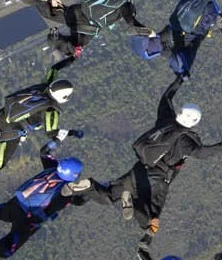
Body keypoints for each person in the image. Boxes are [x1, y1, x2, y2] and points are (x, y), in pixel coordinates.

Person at [91, 79, 215, 232]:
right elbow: (203, 153)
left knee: (110, 195)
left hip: (141, 167)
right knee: (148, 220)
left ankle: (83, 191)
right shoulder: (187, 142)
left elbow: (166, 97)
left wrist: (180, 79)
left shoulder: (166, 120)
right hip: (158, 177)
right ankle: (131, 203)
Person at [0, 153, 95, 258]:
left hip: (17, 202)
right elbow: (78, 201)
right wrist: (90, 191)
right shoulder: (64, 192)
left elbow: (45, 152)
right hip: (29, 219)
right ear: (74, 176)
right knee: (7, 249)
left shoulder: (51, 168)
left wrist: (58, 138)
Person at [0, 74, 77, 170]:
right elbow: (51, 133)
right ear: (63, 97)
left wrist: (72, 58)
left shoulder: (42, 88)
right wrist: (68, 134)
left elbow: (53, 69)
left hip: (3, 114)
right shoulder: (51, 109)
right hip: (12, 131)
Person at [134, 0, 222, 79]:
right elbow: (212, 24)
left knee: (156, 46)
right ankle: (181, 68)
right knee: (188, 52)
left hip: (170, 32)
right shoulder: (212, 7)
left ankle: (148, 45)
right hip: (186, 41)